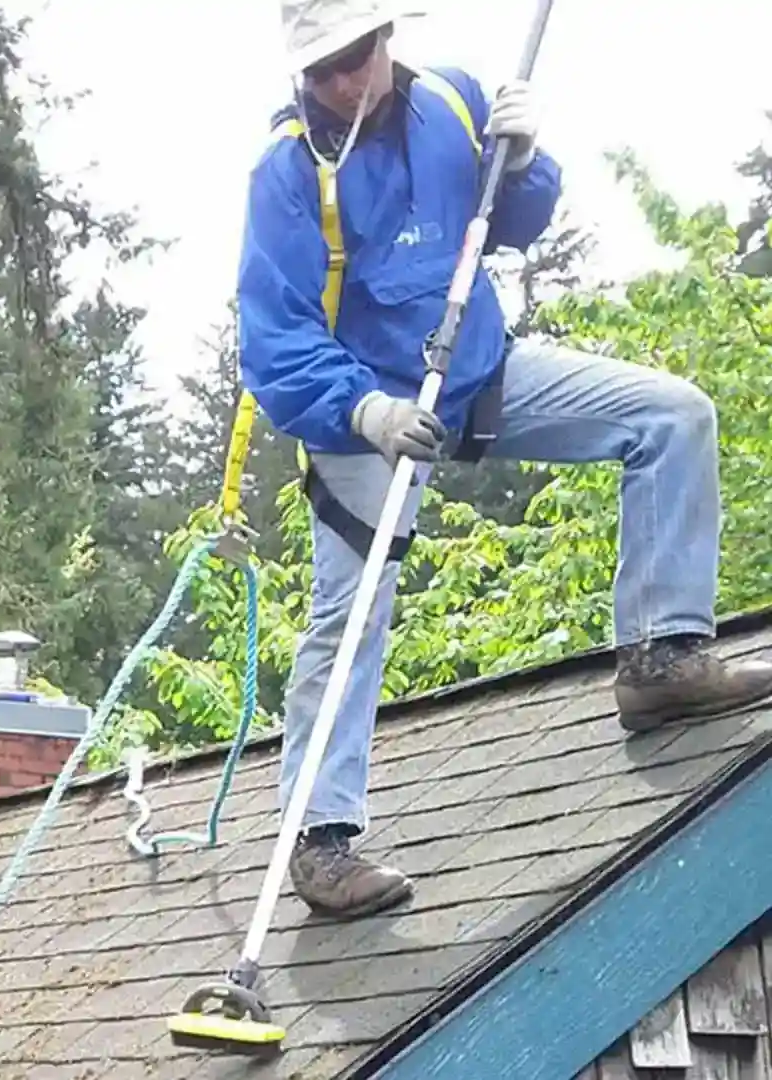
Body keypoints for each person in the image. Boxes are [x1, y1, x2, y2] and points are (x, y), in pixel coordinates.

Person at [236, 0, 772, 921]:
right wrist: (365, 409)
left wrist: (525, 160)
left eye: (354, 56)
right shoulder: (290, 173)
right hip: (362, 408)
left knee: (673, 417)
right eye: (320, 68)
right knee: (350, 612)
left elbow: (513, 221)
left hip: (478, 373)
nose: (340, 81)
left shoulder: (451, 103)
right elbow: (274, 338)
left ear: (384, 42)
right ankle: (320, 842)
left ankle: (660, 658)